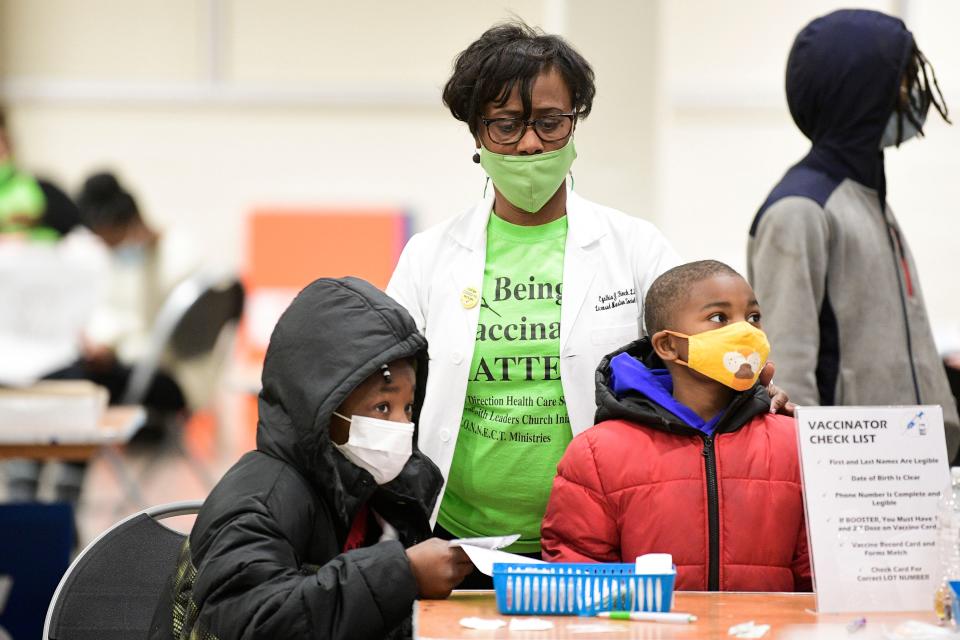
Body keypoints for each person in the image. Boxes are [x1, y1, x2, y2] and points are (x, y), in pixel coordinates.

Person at [386, 20, 791, 585]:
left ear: (575, 123)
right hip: (457, 543)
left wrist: (758, 398)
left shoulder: (636, 247)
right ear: (477, 134)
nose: (529, 143)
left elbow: (694, 364)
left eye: (550, 123)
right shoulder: (428, 257)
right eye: (505, 125)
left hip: (601, 538)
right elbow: (386, 387)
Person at [149, 277, 473, 640]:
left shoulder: (361, 490)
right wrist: (401, 574)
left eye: (408, 407)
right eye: (383, 407)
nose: (402, 426)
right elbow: (258, 623)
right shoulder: (260, 501)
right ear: (321, 404)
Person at [748, 9, 960, 460]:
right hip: (854, 488)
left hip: (911, 472)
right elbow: (789, 378)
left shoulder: (868, 201)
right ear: (861, 91)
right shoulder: (800, 210)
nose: (913, 94)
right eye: (903, 80)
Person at [541, 261, 811, 592]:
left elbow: (819, 578)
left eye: (753, 317)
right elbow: (578, 578)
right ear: (668, 345)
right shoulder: (597, 454)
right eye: (719, 318)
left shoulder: (794, 444)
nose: (746, 332)